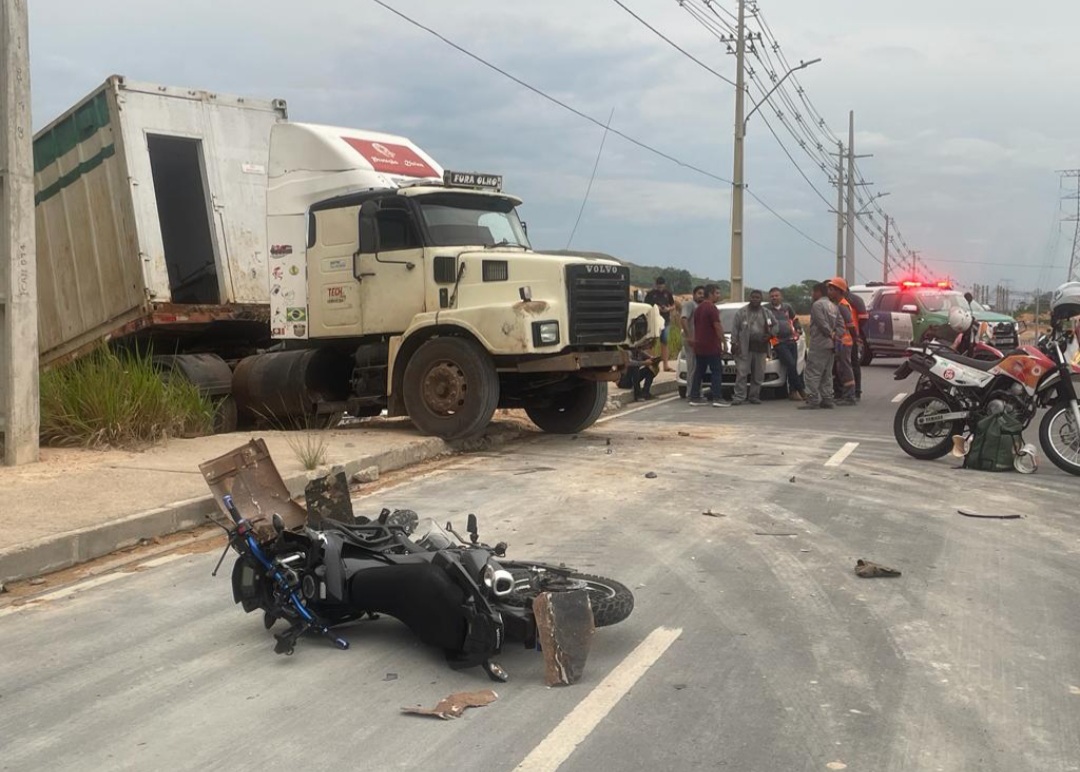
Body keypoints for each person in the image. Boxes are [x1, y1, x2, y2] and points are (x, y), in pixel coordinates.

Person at [730, 289, 777, 406]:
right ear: (749, 298)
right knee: (742, 373)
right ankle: (739, 396)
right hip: (745, 347)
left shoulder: (766, 313)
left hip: (761, 348)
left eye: (757, 297)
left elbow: (776, 325)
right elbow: (735, 329)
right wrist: (734, 343)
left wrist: (771, 334)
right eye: (753, 297)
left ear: (761, 299)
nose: (755, 299)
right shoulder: (741, 312)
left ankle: (754, 396)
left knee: (758, 374)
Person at [799, 282, 839, 410]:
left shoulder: (817, 305)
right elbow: (840, 324)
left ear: (818, 292)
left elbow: (821, 323)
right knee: (826, 373)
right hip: (830, 345)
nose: (812, 295)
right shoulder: (833, 306)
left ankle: (813, 399)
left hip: (819, 343)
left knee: (812, 372)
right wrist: (836, 336)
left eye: (813, 292)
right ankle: (827, 398)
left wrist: (830, 334)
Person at [688, 284, 729, 407]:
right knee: (716, 371)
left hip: (699, 345)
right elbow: (717, 326)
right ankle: (717, 397)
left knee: (699, 371)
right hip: (711, 345)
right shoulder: (712, 308)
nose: (718, 296)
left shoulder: (699, 308)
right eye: (717, 293)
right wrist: (724, 342)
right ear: (710, 294)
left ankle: (694, 396)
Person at [767, 287, 806, 401]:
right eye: (772, 296)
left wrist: (798, 328)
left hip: (791, 339)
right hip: (777, 341)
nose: (774, 298)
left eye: (776, 295)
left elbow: (795, 319)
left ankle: (793, 392)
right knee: (790, 363)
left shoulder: (787, 307)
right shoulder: (767, 310)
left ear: (781, 297)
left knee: (793, 365)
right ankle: (801, 390)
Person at [827, 277, 857, 406]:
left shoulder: (842, 306)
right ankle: (846, 394)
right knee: (841, 369)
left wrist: (855, 339)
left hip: (844, 342)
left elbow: (850, 325)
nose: (829, 292)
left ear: (839, 291)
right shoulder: (838, 305)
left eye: (831, 289)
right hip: (840, 341)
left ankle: (850, 396)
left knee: (845, 369)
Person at [644, 276, 676, 371]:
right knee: (651, 342)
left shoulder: (668, 294)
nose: (660, 287)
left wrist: (668, 309)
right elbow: (646, 306)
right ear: (656, 285)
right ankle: (650, 363)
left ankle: (665, 365)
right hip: (654, 321)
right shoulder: (651, 294)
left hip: (665, 320)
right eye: (659, 285)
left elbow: (673, 305)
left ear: (664, 285)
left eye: (662, 285)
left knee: (665, 341)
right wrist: (656, 307)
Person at [679, 285, 706, 398]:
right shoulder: (690, 304)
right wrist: (689, 336)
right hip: (691, 341)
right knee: (692, 367)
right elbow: (683, 318)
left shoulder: (701, 306)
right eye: (699, 293)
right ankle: (691, 392)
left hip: (699, 342)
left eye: (703, 294)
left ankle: (697, 391)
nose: (701, 296)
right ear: (694, 294)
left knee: (698, 368)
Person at [846, 288, 867, 400]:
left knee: (853, 364)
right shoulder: (837, 300)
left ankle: (856, 391)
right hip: (841, 337)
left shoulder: (854, 300)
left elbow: (863, 318)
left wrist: (856, 331)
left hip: (851, 337)